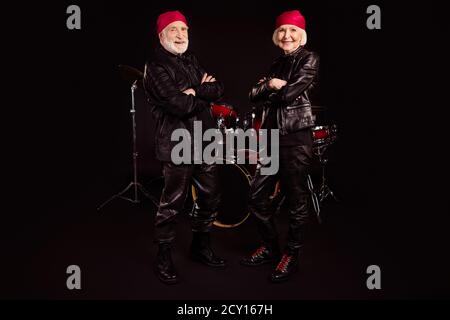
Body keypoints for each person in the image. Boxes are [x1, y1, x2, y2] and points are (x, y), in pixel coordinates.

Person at [143, 10, 226, 284]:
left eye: (184, 29)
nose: (180, 35)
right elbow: (180, 105)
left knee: (210, 197)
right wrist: (196, 92)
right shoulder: (155, 67)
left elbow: (218, 89)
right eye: (174, 30)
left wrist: (195, 91)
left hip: (205, 139)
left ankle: (200, 247)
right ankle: (163, 257)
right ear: (161, 35)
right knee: (172, 203)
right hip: (177, 143)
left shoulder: (191, 61)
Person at [240, 9, 320, 282]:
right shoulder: (276, 64)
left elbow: (289, 94)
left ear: (301, 34)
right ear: (277, 35)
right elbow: (253, 95)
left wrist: (272, 89)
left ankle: (291, 255)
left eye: (292, 31)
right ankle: (271, 247)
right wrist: (272, 84)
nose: (287, 35)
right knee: (255, 197)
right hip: (272, 138)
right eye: (282, 31)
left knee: (297, 201)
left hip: (296, 138)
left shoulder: (309, 58)